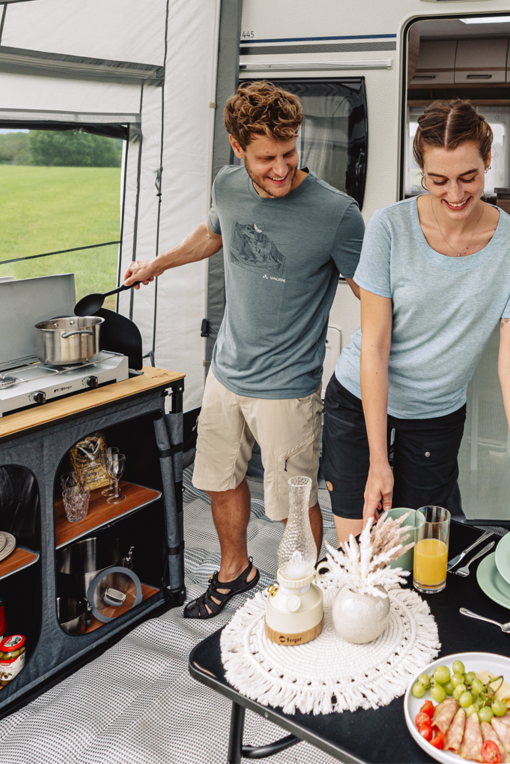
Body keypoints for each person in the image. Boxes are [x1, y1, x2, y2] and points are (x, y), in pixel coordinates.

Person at [121, 81, 364, 618]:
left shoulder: (337, 213)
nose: (280, 169)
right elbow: (214, 234)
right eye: (265, 158)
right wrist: (157, 265)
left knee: (292, 507)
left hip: (288, 388)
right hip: (226, 373)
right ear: (238, 148)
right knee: (217, 480)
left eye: (289, 154)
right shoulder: (228, 185)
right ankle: (236, 570)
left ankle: (302, 593)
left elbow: (371, 291)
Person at [323, 99, 510, 540]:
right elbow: (375, 345)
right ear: (421, 171)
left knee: (413, 549)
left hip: (436, 414)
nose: (455, 194)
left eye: (468, 177)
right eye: (438, 180)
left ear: (488, 161)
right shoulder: (389, 228)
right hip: (360, 402)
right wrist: (379, 462)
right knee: (358, 552)